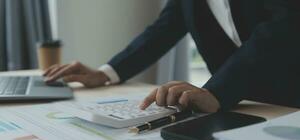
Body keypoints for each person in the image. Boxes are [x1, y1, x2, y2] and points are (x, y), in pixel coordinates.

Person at [44, 0, 300, 112]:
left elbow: (284, 26)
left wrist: (217, 92)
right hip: (244, 106)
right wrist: (105, 73)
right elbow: (162, 30)